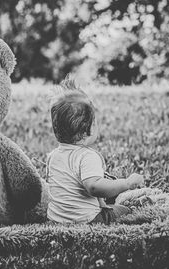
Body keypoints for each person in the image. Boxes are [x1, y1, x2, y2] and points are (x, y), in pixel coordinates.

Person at [46, 77, 145, 224]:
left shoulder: (53, 156)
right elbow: (94, 187)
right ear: (89, 129)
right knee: (127, 210)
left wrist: (102, 204)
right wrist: (127, 183)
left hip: (55, 220)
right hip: (87, 221)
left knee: (109, 200)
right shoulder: (87, 156)